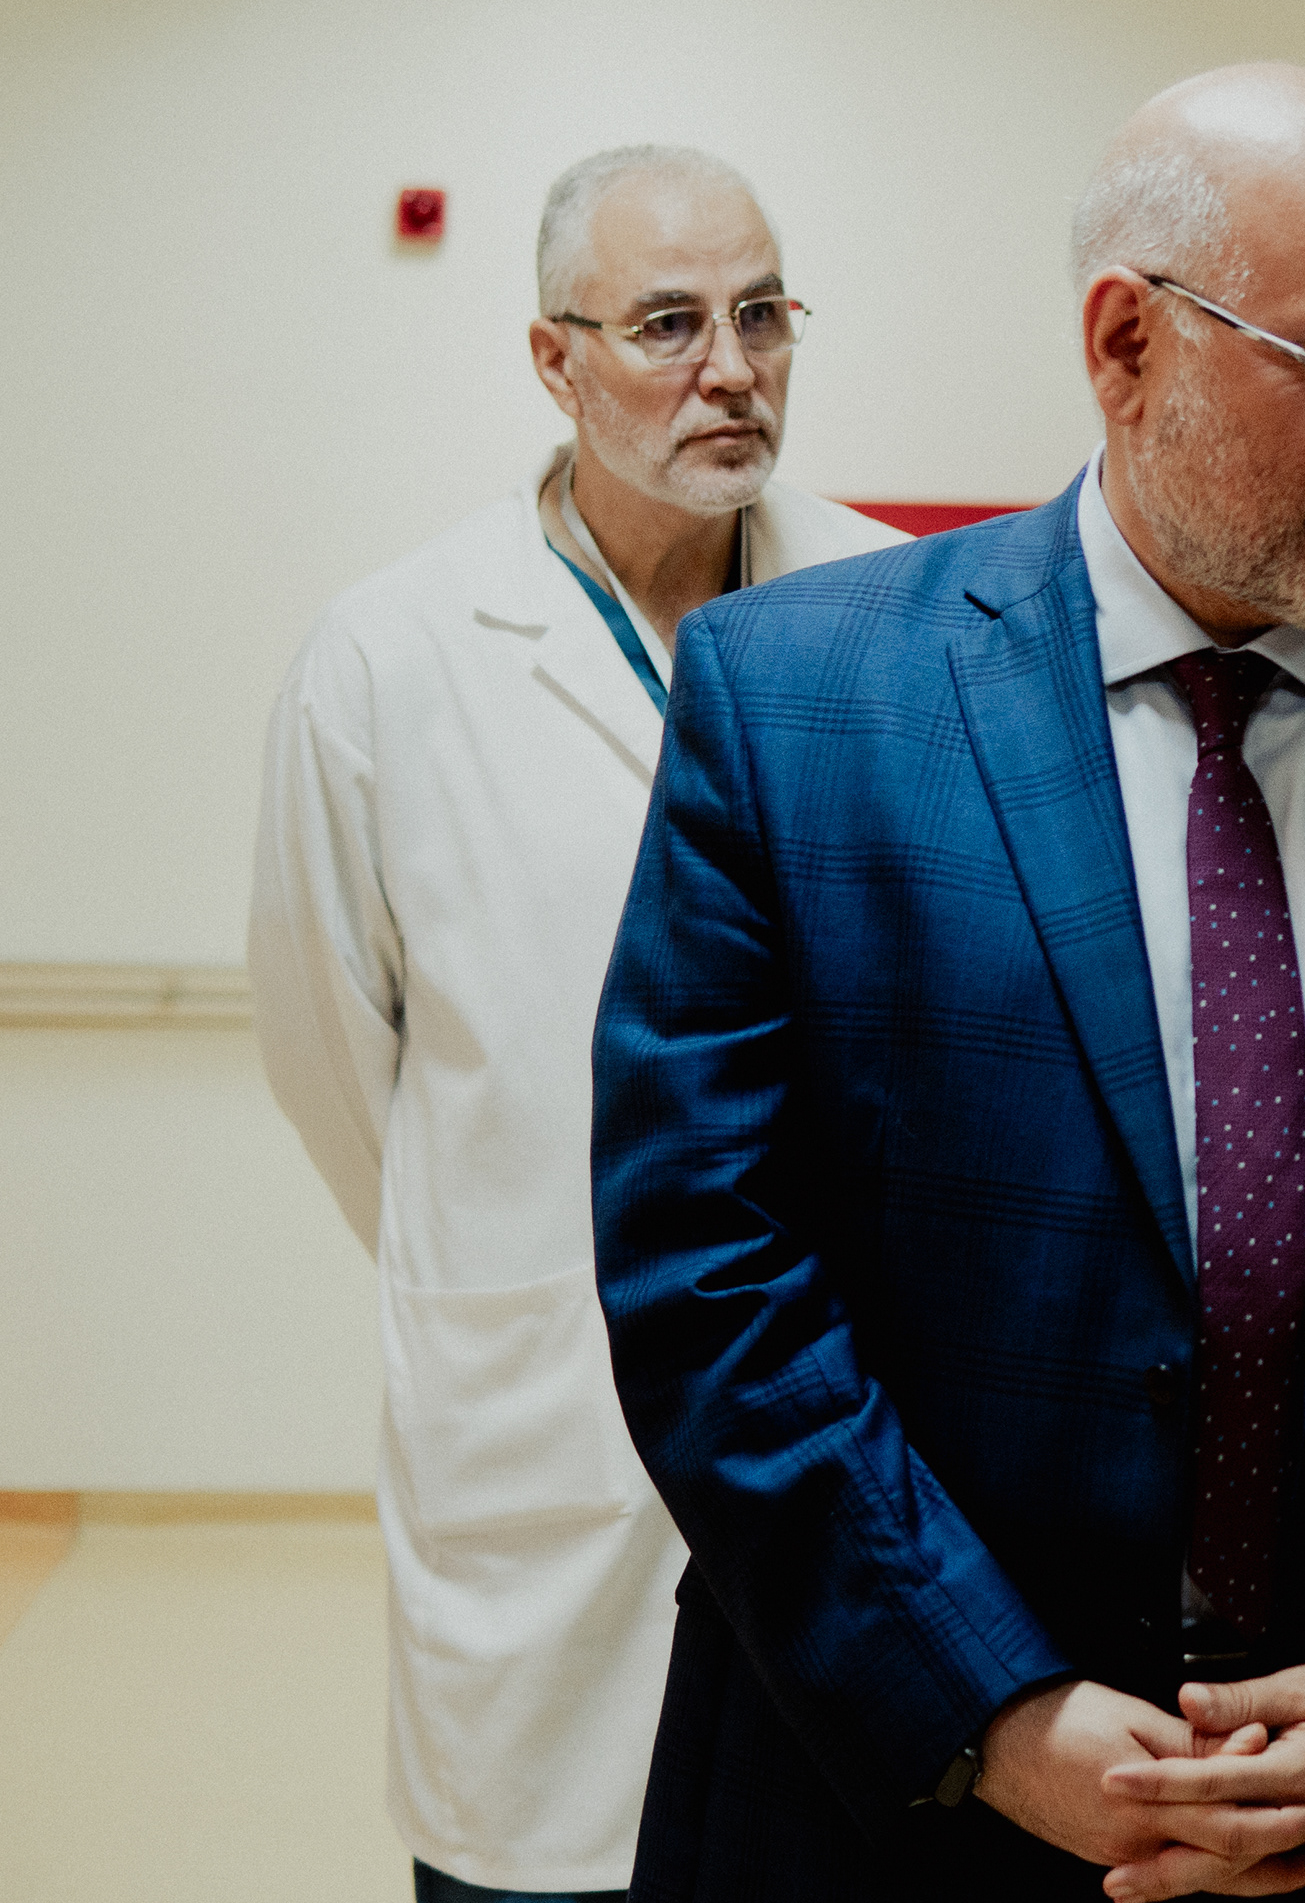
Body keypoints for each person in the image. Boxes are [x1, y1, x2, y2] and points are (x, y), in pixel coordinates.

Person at [589, 64, 1305, 1901]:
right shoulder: (800, 709)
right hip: (897, 1805)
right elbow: (707, 1273)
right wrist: (991, 1706)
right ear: (1128, 344)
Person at [249, 144, 901, 1903]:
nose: (732, 369)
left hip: (852, 1423)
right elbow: (332, 1062)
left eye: (763, 316)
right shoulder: (391, 660)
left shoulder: (896, 617)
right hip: (540, 1433)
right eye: (669, 325)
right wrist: (504, 1263)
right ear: (555, 359)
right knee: (543, 1864)